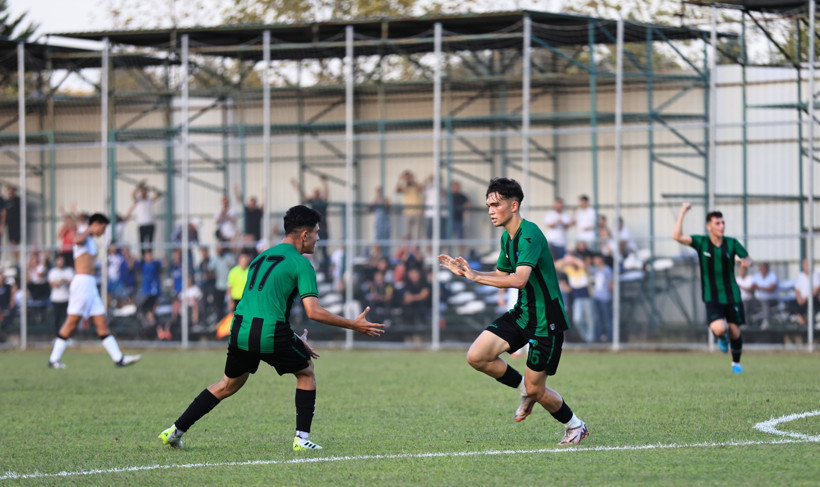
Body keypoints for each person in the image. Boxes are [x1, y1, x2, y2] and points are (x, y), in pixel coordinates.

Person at [158, 204, 385, 451]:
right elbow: (313, 312)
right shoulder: (301, 263)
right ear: (304, 235)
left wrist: (295, 339)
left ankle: (175, 430)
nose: (319, 238)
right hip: (269, 332)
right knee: (306, 371)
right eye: (317, 232)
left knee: (227, 384)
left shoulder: (260, 257)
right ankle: (301, 439)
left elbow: (260, 304)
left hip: (240, 328)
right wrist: (353, 324)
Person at [437, 177, 588, 446]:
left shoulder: (529, 234)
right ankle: (525, 391)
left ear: (514, 205)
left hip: (546, 321)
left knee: (537, 390)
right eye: (488, 206)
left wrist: (475, 278)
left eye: (495, 204)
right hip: (523, 313)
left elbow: (519, 280)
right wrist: (469, 273)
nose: (490, 210)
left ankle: (575, 425)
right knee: (477, 356)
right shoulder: (508, 237)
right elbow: (501, 274)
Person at [47, 213, 141, 369]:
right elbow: (76, 240)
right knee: (71, 322)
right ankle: (54, 359)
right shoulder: (84, 233)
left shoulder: (90, 240)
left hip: (90, 285)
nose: (103, 232)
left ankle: (119, 359)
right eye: (102, 228)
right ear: (96, 224)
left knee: (102, 322)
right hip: (82, 284)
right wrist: (89, 229)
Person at [673, 203, 752, 374]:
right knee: (719, 328)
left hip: (732, 294)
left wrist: (745, 262)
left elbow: (747, 258)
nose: (721, 226)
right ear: (709, 226)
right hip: (712, 296)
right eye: (717, 223)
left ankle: (736, 364)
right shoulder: (702, 242)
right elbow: (677, 236)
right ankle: (720, 336)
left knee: (735, 331)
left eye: (723, 223)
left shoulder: (732, 243)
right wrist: (683, 211)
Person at [132, 180, 162, 255]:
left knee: (150, 244)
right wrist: (140, 185)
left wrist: (153, 188)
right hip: (142, 225)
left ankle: (149, 257)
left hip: (150, 224)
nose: (144, 193)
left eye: (145, 192)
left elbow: (159, 195)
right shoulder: (138, 201)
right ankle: (143, 258)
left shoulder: (149, 200)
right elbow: (133, 194)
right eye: (143, 192)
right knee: (142, 244)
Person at [789, 258, 820, 327]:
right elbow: (797, 290)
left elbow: (817, 289)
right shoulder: (801, 276)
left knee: (813, 302)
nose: (807, 267)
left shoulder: (815, 275)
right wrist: (799, 299)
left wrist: (806, 298)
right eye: (805, 265)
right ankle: (800, 318)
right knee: (791, 303)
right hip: (802, 300)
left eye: (808, 265)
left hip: (811, 299)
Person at [395, 170, 424, 242]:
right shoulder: (404, 186)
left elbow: (420, 189)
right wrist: (401, 179)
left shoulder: (415, 185)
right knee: (406, 234)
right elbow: (397, 190)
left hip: (417, 212)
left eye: (409, 177)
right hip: (407, 212)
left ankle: (415, 250)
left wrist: (413, 178)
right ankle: (407, 251)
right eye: (407, 177)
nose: (408, 179)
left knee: (416, 235)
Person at [48, 255, 73, 334]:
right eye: (59, 260)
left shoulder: (69, 270)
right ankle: (57, 336)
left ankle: (68, 336)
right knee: (57, 319)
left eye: (62, 260)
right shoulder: (53, 272)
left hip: (67, 298)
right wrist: (62, 282)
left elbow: (72, 283)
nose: (61, 262)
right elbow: (53, 284)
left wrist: (65, 281)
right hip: (56, 299)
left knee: (67, 319)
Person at [591, 253, 613, 342]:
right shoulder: (595, 270)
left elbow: (611, 284)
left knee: (607, 319)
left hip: (605, 298)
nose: (595, 261)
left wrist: (610, 296)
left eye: (596, 259)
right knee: (598, 319)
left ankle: (611, 338)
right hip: (596, 297)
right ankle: (598, 339)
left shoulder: (607, 270)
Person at [751, 262, 778, 330]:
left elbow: (771, 288)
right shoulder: (756, 276)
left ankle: (766, 321)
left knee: (764, 301)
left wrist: (759, 287)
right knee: (746, 302)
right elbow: (752, 287)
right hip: (758, 300)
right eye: (761, 268)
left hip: (771, 300)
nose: (763, 269)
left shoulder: (772, 276)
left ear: (767, 268)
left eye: (764, 268)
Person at [371, 186, 391, 257]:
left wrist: (386, 203)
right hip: (378, 223)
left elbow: (389, 210)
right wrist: (375, 201)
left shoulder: (386, 200)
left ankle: (385, 256)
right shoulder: (375, 200)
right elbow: (371, 209)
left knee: (385, 240)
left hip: (385, 223)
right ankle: (378, 256)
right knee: (378, 240)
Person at [4, 186, 21, 262]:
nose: (10, 191)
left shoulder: (17, 200)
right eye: (9, 189)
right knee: (12, 242)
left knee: (16, 242)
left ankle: (17, 259)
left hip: (17, 225)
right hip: (10, 225)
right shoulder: (7, 201)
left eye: (11, 189)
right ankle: (15, 259)